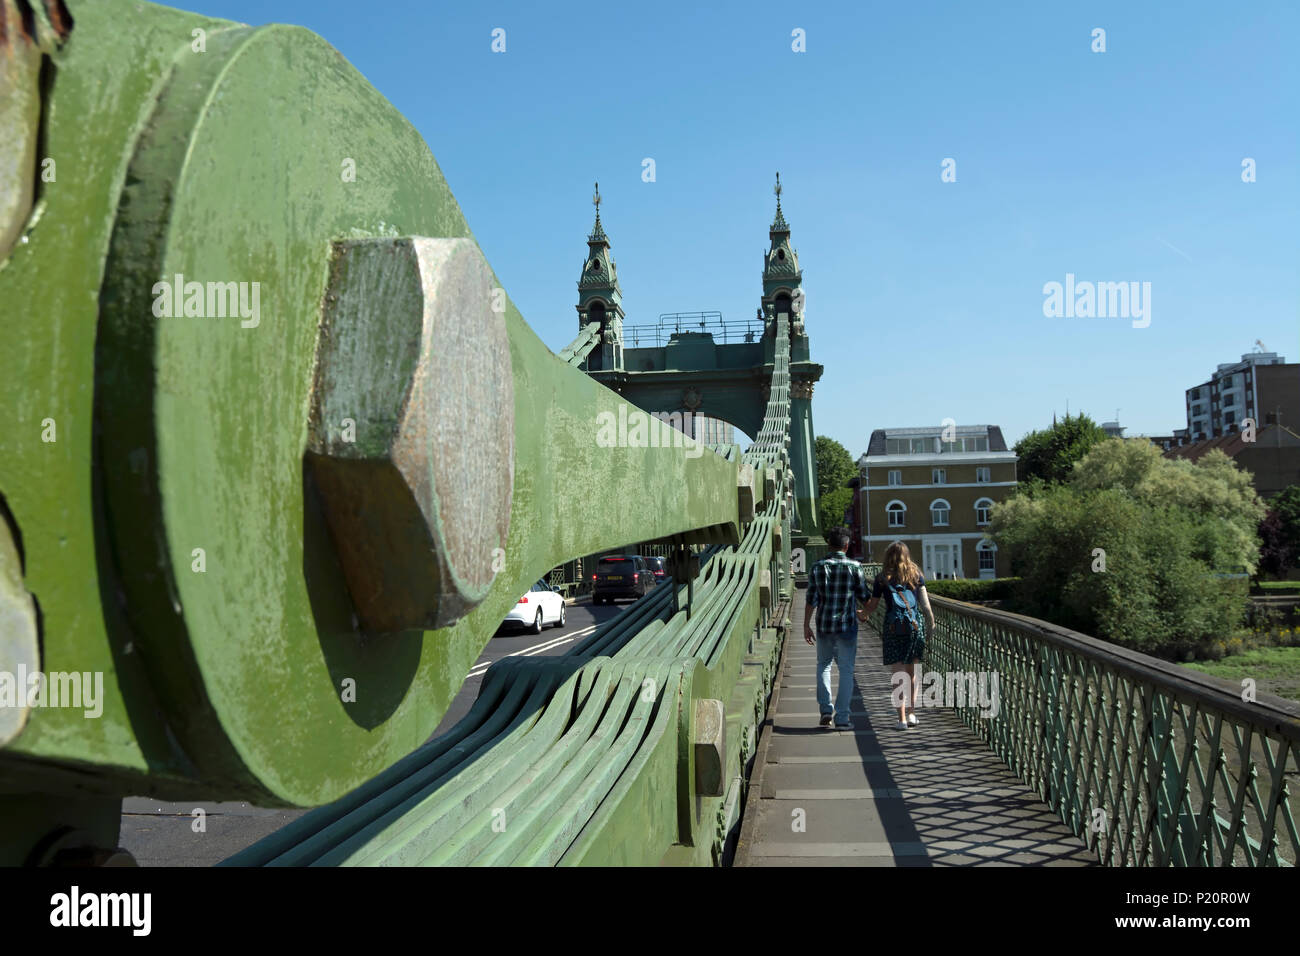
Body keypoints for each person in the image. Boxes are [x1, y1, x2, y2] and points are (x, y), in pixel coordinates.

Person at [860, 541, 935, 730]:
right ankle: (911, 714)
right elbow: (925, 606)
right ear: (907, 556)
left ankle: (901, 719)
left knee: (898, 674)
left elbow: (873, 606)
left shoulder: (881, 579)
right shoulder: (916, 575)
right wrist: (931, 625)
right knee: (912, 673)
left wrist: (862, 613)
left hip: (893, 628)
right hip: (914, 626)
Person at [803, 527, 870, 730]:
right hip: (847, 626)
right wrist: (863, 613)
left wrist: (805, 625)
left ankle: (825, 710)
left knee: (823, 665)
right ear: (847, 545)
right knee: (846, 671)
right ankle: (842, 718)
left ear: (829, 544)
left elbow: (811, 600)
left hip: (824, 625)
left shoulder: (817, 567)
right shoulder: (855, 567)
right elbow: (866, 597)